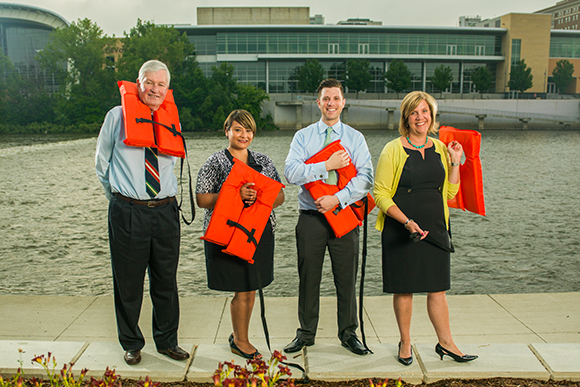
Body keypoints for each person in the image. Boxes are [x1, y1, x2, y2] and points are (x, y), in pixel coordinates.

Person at [95, 60, 189, 365]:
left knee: (166, 279)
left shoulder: (171, 118)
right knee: (128, 281)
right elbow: (102, 163)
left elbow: (171, 165)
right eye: (150, 83)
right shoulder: (117, 116)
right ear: (139, 83)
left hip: (165, 212)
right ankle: (132, 342)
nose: (155, 89)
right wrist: (122, 200)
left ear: (167, 88)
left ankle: (167, 341)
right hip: (128, 211)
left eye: (161, 84)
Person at [373, 91, 477, 365]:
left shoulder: (441, 148)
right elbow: (380, 195)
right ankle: (405, 342)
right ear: (406, 117)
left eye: (425, 112)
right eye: (414, 112)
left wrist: (455, 162)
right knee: (404, 289)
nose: (420, 117)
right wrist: (407, 222)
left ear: (432, 116)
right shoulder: (392, 149)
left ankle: (446, 343)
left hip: (435, 226)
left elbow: (450, 193)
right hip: (401, 227)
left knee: (437, 289)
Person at [284, 78, 373, 356]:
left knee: (346, 277)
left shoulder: (355, 138)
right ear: (318, 102)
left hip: (345, 216)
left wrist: (337, 199)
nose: (331, 103)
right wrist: (326, 165)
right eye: (326, 99)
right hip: (311, 217)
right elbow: (290, 173)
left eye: (336, 98)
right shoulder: (303, 137)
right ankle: (306, 333)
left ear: (343, 102)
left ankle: (348, 333)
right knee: (308, 277)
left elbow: (367, 178)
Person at [196, 109, 285, 359]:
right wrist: (235, 195)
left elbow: (280, 196)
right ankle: (241, 340)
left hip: (258, 234)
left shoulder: (264, 162)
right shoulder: (216, 161)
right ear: (227, 131)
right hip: (227, 234)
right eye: (238, 129)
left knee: (250, 288)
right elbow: (202, 199)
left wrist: (260, 195)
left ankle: (239, 337)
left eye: (248, 130)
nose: (243, 135)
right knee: (240, 288)